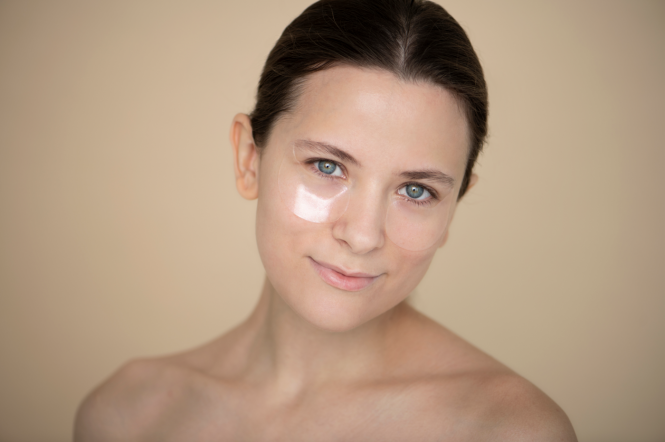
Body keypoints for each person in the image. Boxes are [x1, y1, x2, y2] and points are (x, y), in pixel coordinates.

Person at [75, 0, 577, 440]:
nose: (362, 236)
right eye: (327, 166)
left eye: (416, 191)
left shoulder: (511, 431)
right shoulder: (127, 417)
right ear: (249, 159)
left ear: (453, 208)